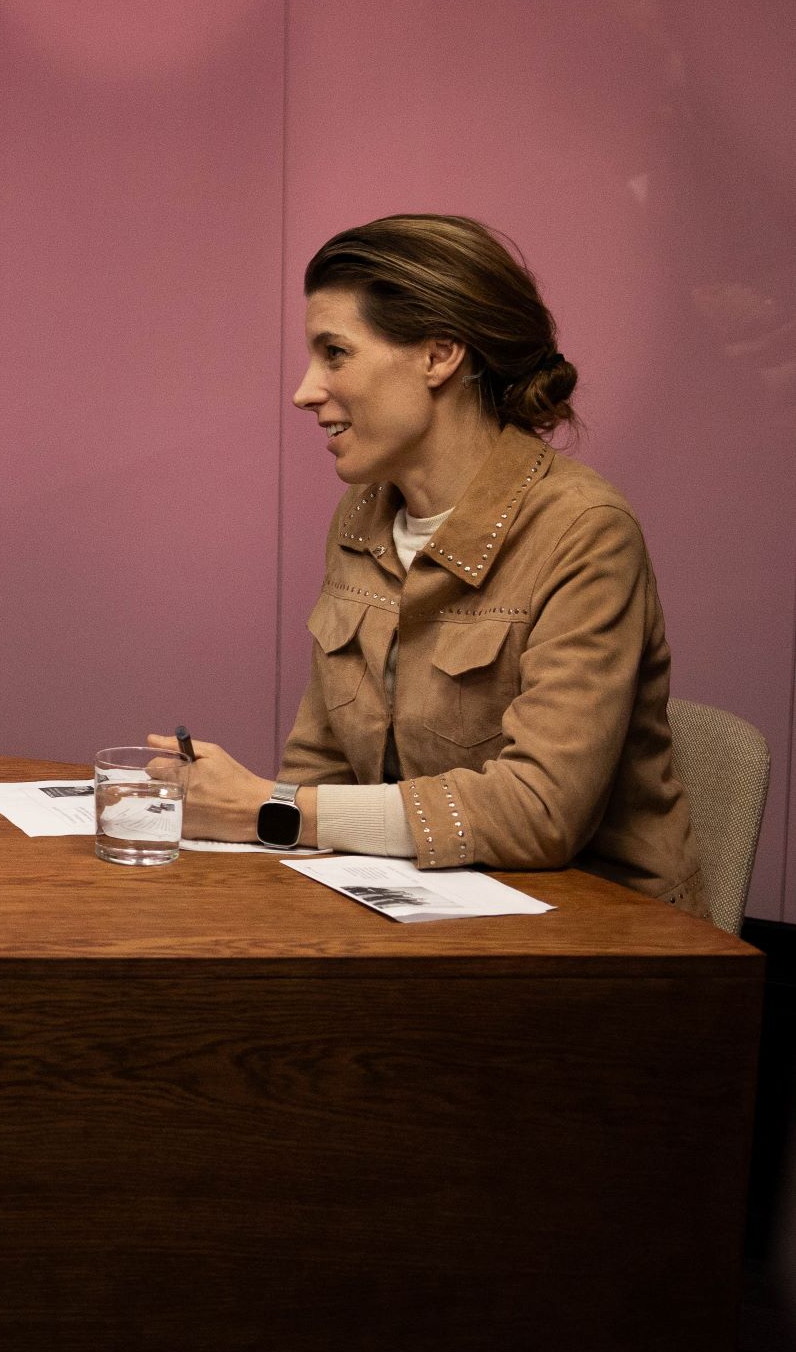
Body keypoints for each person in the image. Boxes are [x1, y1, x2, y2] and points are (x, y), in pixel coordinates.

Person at [162, 214, 703, 916]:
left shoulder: (584, 530)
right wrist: (261, 829)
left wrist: (275, 810)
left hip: (605, 945)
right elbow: (320, 769)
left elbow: (540, 812)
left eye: (334, 353)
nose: (305, 390)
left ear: (439, 354)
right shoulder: (363, 516)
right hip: (422, 922)